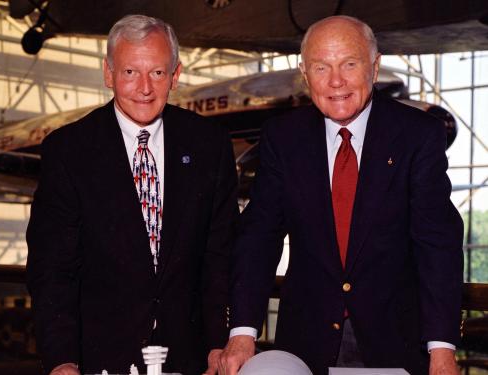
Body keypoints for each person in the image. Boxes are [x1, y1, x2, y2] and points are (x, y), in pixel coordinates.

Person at [219, 15, 463, 375]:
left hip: (397, 346)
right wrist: (242, 333)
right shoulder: (282, 138)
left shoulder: (418, 135)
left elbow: (437, 244)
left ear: (374, 66)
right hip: (306, 345)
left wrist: (441, 348)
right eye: (321, 67)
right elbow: (259, 237)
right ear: (305, 74)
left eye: (349, 64)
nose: (336, 81)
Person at [26, 14, 238, 375]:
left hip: (193, 359)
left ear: (176, 75)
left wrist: (220, 343)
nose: (144, 88)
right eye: (129, 73)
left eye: (157, 73)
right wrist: (61, 360)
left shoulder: (209, 145)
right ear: (108, 74)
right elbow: (52, 269)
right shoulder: (68, 150)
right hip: (98, 359)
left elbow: (221, 255)